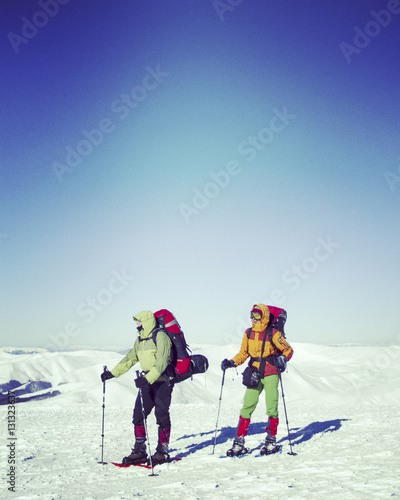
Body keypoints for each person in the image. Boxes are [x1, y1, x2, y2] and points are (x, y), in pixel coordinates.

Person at [100, 310, 174, 465]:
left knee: (161, 415)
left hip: (162, 381)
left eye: (139, 321)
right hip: (147, 381)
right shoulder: (140, 340)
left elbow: (161, 363)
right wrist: (112, 374)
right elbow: (130, 358)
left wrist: (146, 379)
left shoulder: (161, 337)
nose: (137, 324)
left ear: (146, 321)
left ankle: (162, 451)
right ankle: (139, 451)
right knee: (138, 415)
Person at [221, 303, 293, 456]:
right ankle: (238, 443)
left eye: (257, 315)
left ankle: (270, 441)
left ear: (264, 316)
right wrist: (232, 362)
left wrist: (283, 358)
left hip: (271, 373)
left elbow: (288, 349)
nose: (253, 319)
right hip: (254, 373)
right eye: (251, 315)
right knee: (247, 405)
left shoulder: (273, 333)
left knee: (271, 407)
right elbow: (243, 353)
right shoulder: (248, 333)